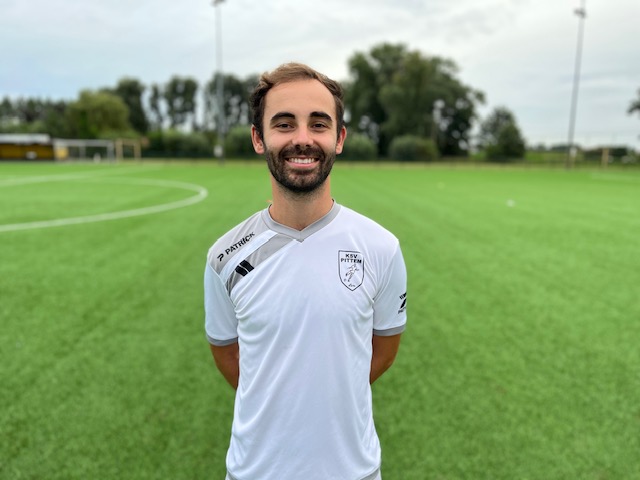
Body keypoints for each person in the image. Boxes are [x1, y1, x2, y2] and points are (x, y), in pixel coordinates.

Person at [204, 62, 408, 480]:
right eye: (284, 124)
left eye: (318, 124)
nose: (302, 138)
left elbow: (383, 351)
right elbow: (228, 356)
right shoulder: (225, 256)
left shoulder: (380, 247)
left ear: (339, 138)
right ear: (258, 138)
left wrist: (333, 394)